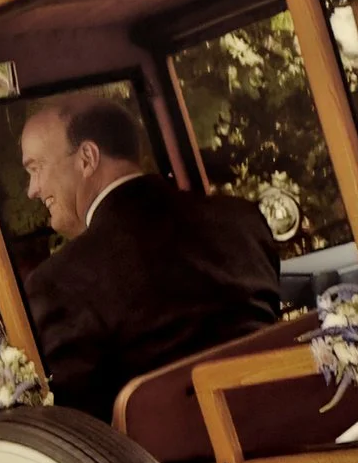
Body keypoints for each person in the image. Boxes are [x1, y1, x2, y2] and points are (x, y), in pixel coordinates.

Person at [17, 96, 283, 422]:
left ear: (87, 158)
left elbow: (80, 432)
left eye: (36, 168)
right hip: (287, 420)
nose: (32, 190)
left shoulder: (60, 281)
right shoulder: (242, 220)